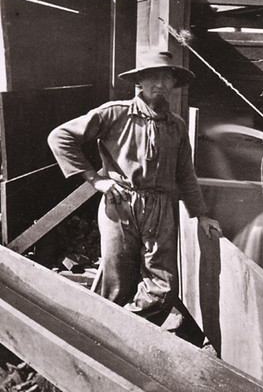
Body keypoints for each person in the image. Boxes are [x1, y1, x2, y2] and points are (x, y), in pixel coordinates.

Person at [48, 51, 222, 325]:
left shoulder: (176, 126)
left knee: (163, 287)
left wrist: (201, 214)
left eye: (167, 78)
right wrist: (96, 180)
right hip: (121, 204)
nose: (160, 84)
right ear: (140, 81)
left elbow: (185, 174)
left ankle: (124, 332)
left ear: (174, 84)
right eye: (153, 77)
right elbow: (60, 137)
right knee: (117, 282)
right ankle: (102, 340)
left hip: (160, 210)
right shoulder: (115, 113)